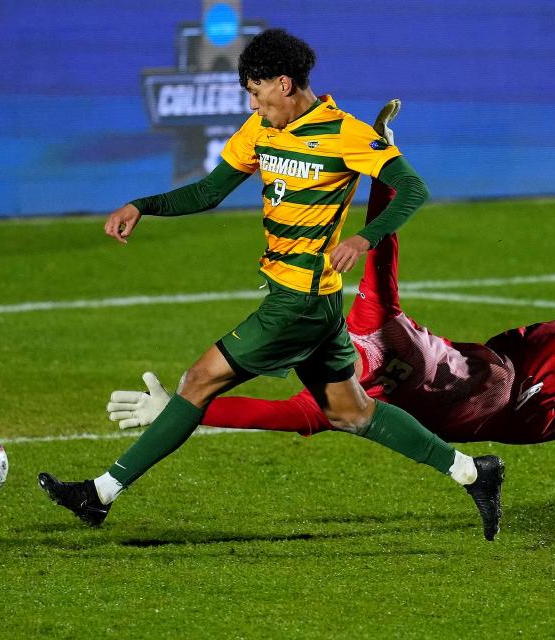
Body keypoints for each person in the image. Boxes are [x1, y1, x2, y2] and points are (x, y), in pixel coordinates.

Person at [38, 29, 505, 541]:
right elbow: (210, 191)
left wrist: (365, 239)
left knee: (197, 381)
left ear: (285, 84)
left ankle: (100, 494)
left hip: (299, 302)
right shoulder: (262, 131)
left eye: (258, 94)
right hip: (314, 304)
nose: (255, 106)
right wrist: (142, 205)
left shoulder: (343, 133)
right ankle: (472, 472)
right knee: (352, 413)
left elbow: (414, 188)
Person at [106, 104, 555, 448]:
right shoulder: (348, 391)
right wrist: (183, 410)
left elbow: (383, 253)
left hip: (503, 352)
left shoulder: (363, 327)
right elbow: (277, 417)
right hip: (528, 408)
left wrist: (379, 161)